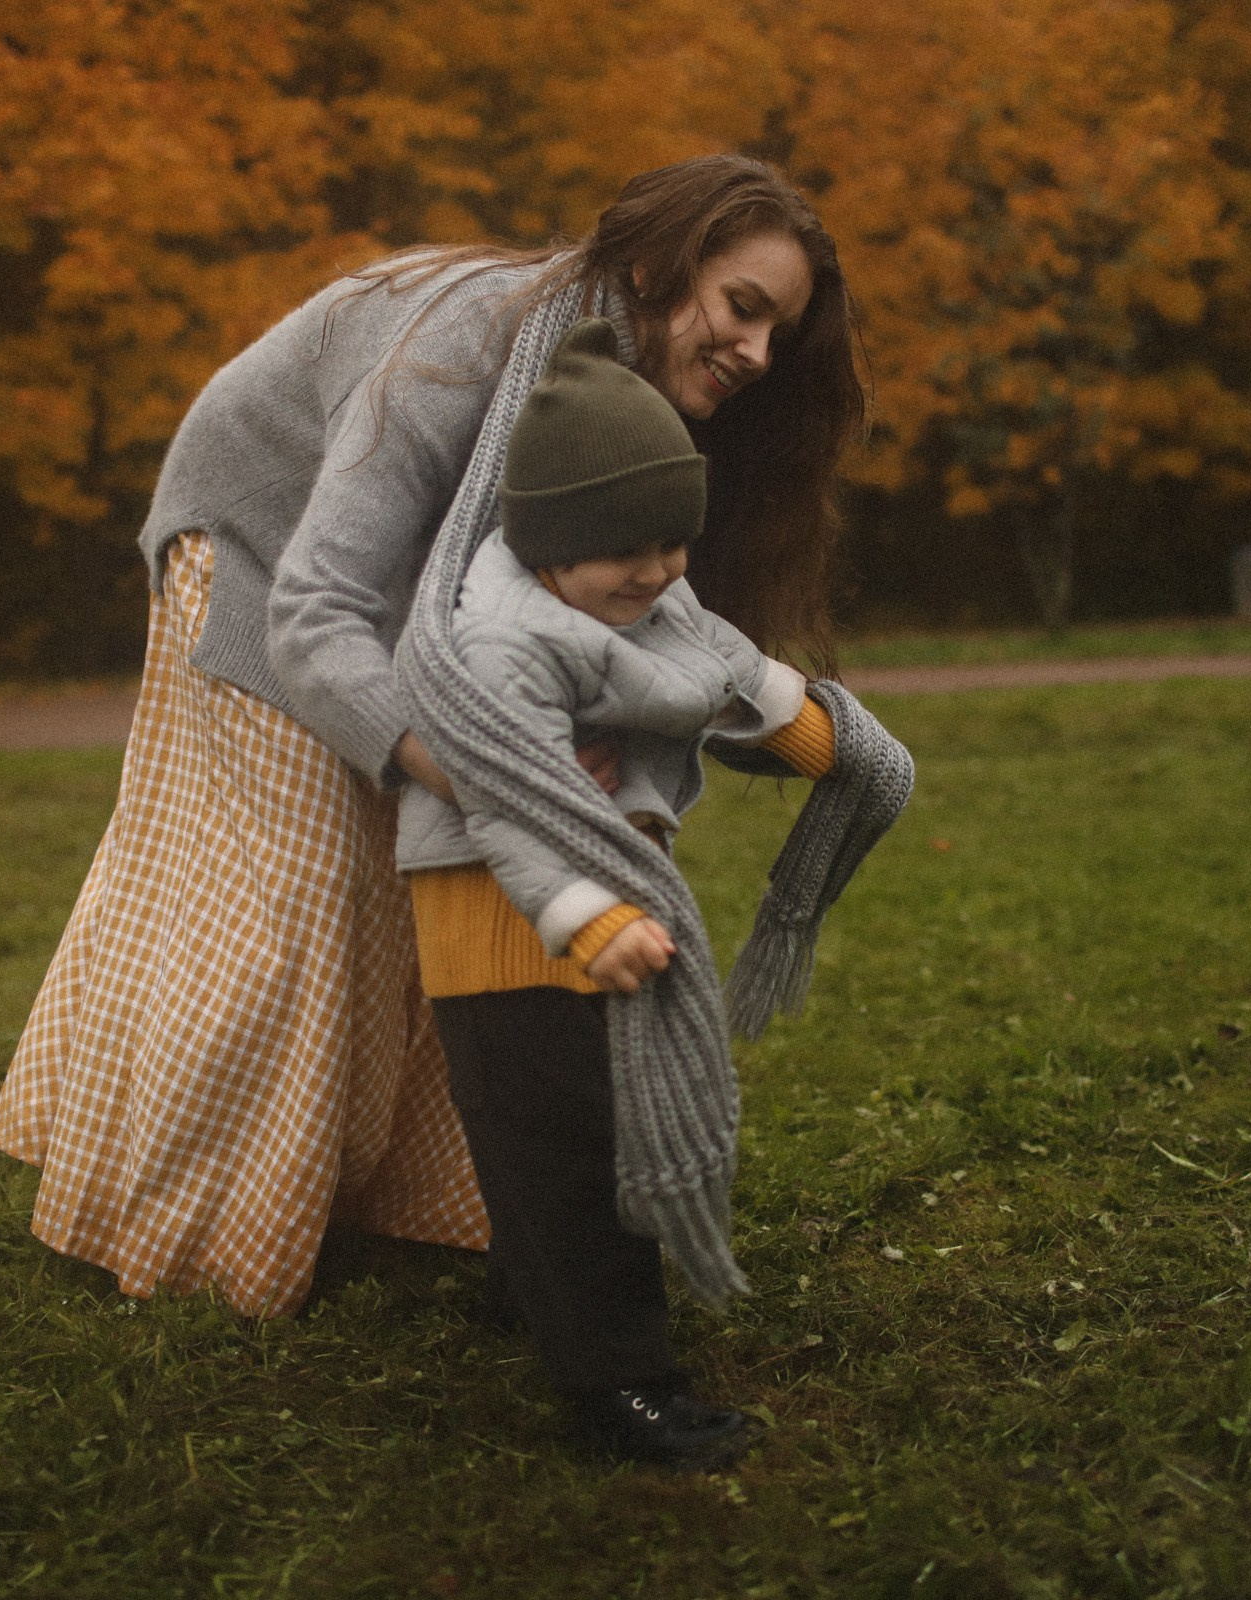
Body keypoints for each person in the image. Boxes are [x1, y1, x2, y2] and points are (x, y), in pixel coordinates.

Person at [0, 155, 865, 1330]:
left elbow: (621, 632)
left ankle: (398, 1199)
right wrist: (476, 763)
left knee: (428, 889)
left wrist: (788, 728)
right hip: (261, 557)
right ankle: (181, 1243)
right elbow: (317, 608)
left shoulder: (617, 394)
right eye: (740, 306)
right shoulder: (468, 352)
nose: (756, 353)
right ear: (659, 266)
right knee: (292, 903)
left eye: (778, 332)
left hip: (386, 591)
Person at [399, 319, 849, 1468]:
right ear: (547, 545)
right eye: (624, 552)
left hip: (597, 896)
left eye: (673, 544)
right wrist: (580, 917)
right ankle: (621, 1387)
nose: (654, 573)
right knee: (572, 1142)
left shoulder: (635, 598)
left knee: (567, 1135)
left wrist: (814, 736)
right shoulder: (499, 642)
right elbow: (505, 805)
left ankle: (541, 1296)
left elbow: (721, 664)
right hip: (501, 912)